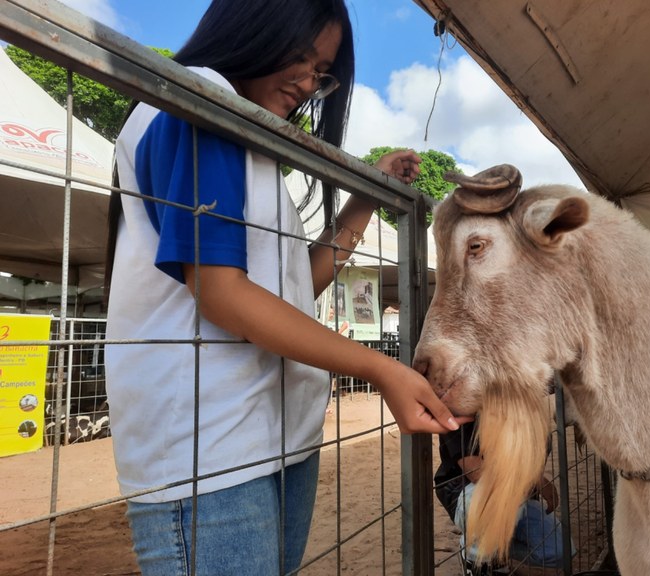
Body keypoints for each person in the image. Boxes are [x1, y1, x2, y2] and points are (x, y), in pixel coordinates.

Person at [104, 1, 462, 574]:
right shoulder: (200, 96)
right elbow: (221, 292)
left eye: (320, 72)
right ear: (251, 25)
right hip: (211, 450)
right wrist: (381, 368)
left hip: (275, 439)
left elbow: (297, 287)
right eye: (298, 59)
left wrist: (365, 199)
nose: (307, 84)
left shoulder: (250, 136)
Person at [435, 420, 567, 575]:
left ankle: (496, 548)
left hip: (515, 496)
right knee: (499, 496)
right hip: (467, 491)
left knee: (559, 550)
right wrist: (534, 477)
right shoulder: (459, 411)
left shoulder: (515, 409)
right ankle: (476, 558)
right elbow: (477, 473)